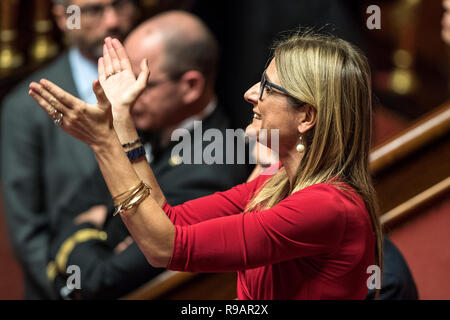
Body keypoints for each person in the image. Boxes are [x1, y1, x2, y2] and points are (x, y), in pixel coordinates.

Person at [29, 30, 384, 299]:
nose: (250, 93)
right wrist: (121, 119)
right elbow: (169, 220)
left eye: (267, 86)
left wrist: (104, 143)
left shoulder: (325, 206)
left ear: (307, 116)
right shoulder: (272, 185)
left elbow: (163, 248)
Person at [45, 11, 250, 299]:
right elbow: (65, 215)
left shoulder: (211, 170)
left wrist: (88, 230)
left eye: (144, 83)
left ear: (191, 86)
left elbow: (102, 282)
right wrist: (98, 237)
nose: (126, 96)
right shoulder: (143, 127)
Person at [0, 0, 138, 299]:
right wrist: (74, 288)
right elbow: (27, 231)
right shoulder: (24, 108)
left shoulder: (154, 79)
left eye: (120, 4)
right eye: (94, 10)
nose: (113, 20)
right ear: (64, 18)